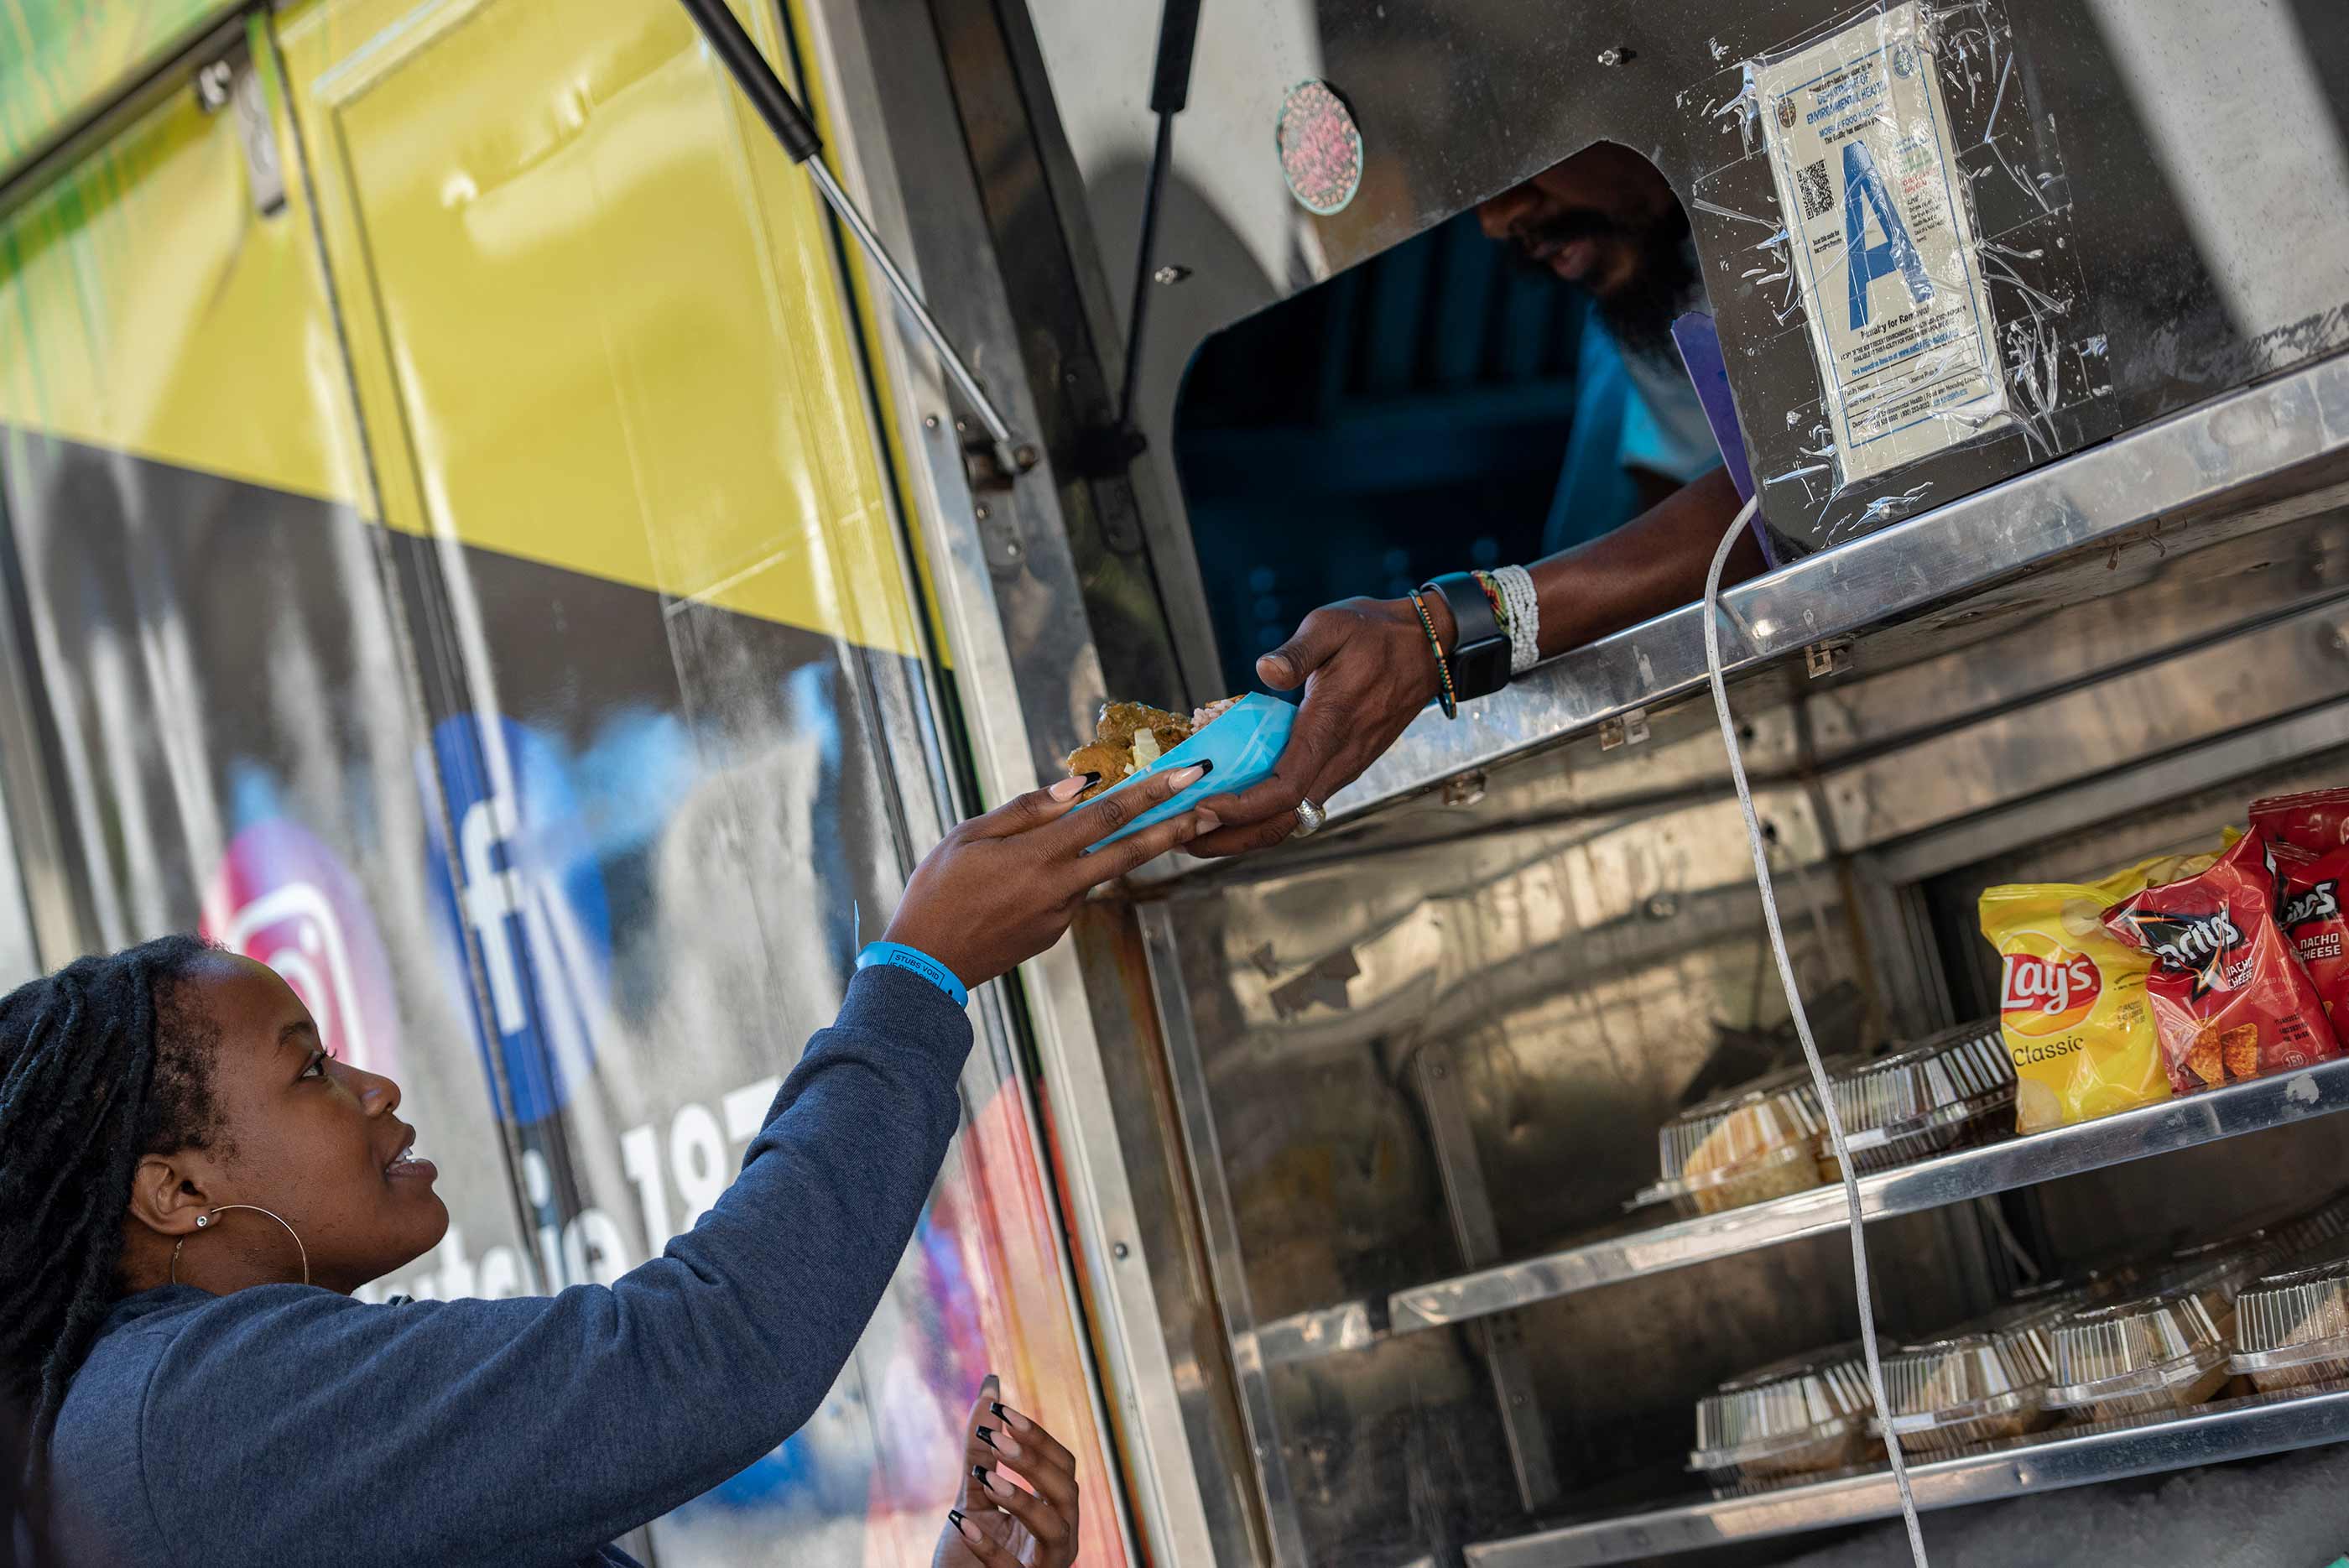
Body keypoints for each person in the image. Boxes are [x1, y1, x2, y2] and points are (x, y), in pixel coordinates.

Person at [0, 762, 1221, 1568]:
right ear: (175, 1189)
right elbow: (703, 1354)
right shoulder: (189, 1416)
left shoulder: (154, 1430)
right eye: (308, 1068)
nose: (374, 1089)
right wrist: (917, 975)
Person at [1192, 145, 1758, 857]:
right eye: (1473, 187)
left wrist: (1447, 630)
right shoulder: (1647, 304)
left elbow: (1778, 496)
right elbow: (1686, 498)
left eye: (1527, 157)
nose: (1496, 219)